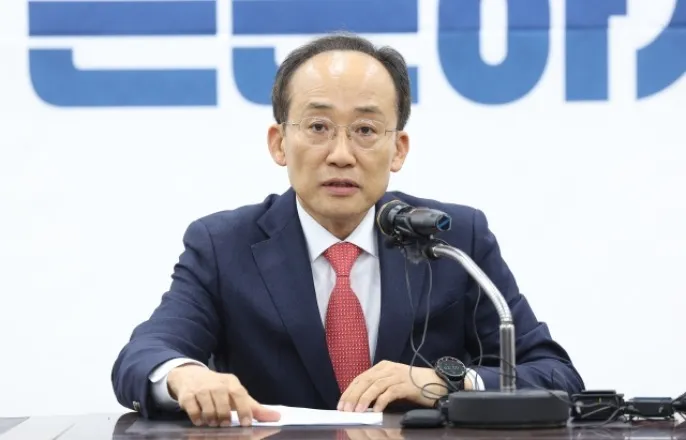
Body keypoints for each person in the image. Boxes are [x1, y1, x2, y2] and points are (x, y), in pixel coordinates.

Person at [111, 32, 584, 428]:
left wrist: (447, 381)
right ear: (279, 142)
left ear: (398, 149)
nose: (341, 154)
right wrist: (185, 375)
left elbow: (554, 374)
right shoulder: (223, 245)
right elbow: (145, 355)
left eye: (365, 130)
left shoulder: (453, 238)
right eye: (318, 127)